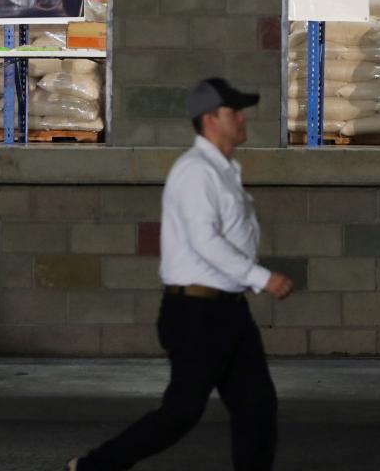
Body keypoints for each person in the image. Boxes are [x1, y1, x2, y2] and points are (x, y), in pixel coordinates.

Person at [68, 77, 294, 471]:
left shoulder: (223, 170)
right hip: (196, 314)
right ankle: (92, 467)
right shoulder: (195, 172)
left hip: (229, 311)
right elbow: (204, 240)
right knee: (180, 414)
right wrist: (261, 277)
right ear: (210, 119)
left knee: (256, 408)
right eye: (233, 112)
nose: (242, 119)